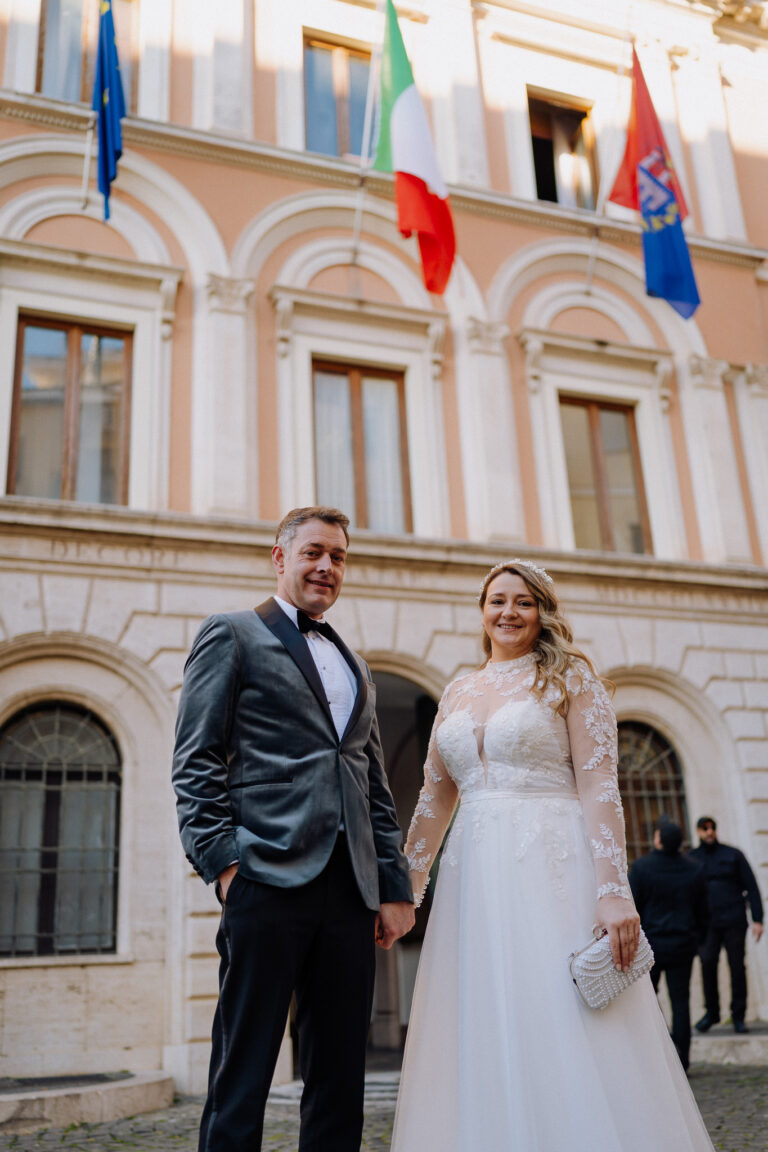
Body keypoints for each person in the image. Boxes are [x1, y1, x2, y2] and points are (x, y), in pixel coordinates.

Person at [391, 560, 714, 1151]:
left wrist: (614, 890)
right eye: (497, 601)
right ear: (482, 610)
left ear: (543, 612)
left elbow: (600, 788)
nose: (509, 612)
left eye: (523, 601)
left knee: (563, 1012)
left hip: (552, 864)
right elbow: (436, 796)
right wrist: (405, 892)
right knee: (480, 1015)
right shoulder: (460, 690)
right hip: (473, 876)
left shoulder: (571, 681)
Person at [172, 506, 415, 1152]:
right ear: (280, 559)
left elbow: (373, 789)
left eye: (337, 556)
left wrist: (393, 885)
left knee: (339, 1072)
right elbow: (195, 760)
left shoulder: (355, 664)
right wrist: (224, 867)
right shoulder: (231, 635)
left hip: (351, 892)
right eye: (313, 553)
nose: (326, 567)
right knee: (244, 1066)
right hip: (264, 878)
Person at [629, 819, 709, 1071]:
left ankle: (655, 1058)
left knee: (647, 1002)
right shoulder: (694, 868)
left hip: (650, 945)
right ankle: (683, 1061)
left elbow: (634, 907)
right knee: (681, 1002)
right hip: (683, 944)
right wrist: (699, 939)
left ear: (658, 840)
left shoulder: (642, 868)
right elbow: (703, 911)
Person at [689, 815, 764, 1034]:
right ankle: (712, 1013)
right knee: (707, 964)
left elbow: (752, 887)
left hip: (734, 920)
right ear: (698, 832)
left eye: (712, 827)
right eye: (705, 828)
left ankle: (738, 1016)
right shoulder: (692, 858)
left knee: (737, 967)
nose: (710, 832)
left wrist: (758, 919)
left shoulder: (733, 855)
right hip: (707, 924)